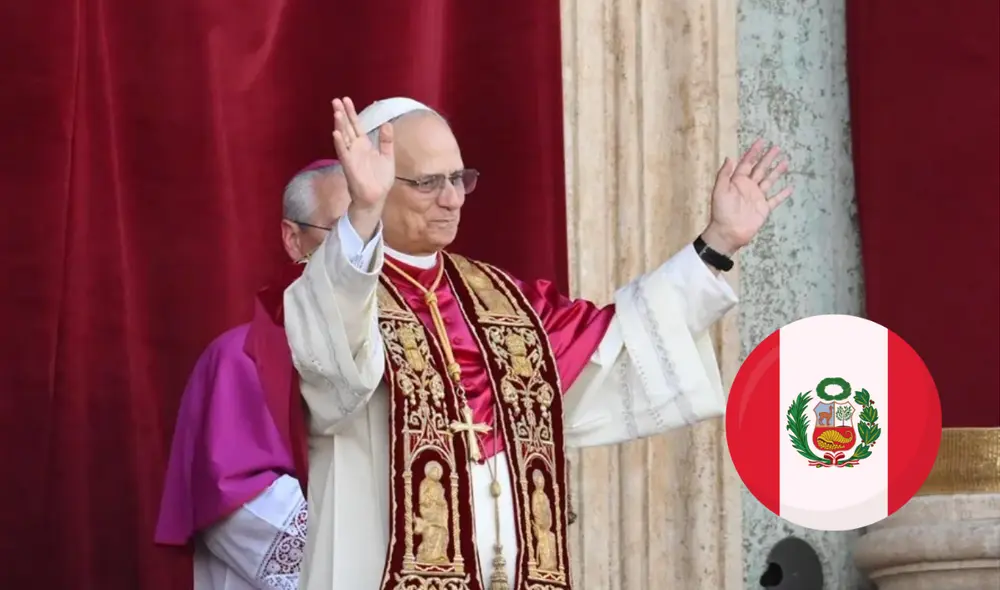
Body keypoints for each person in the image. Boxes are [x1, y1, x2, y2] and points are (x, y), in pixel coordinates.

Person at [285, 96, 794, 590]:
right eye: (427, 183)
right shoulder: (341, 287)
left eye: (459, 179)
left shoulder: (506, 302)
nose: (453, 198)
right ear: (373, 182)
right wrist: (363, 215)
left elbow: (619, 340)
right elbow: (332, 362)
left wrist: (718, 243)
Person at [154, 160, 350, 590]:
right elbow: (238, 502)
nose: (361, 252)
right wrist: (368, 554)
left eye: (374, 233)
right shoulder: (241, 358)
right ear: (294, 239)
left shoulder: (414, 352)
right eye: (342, 231)